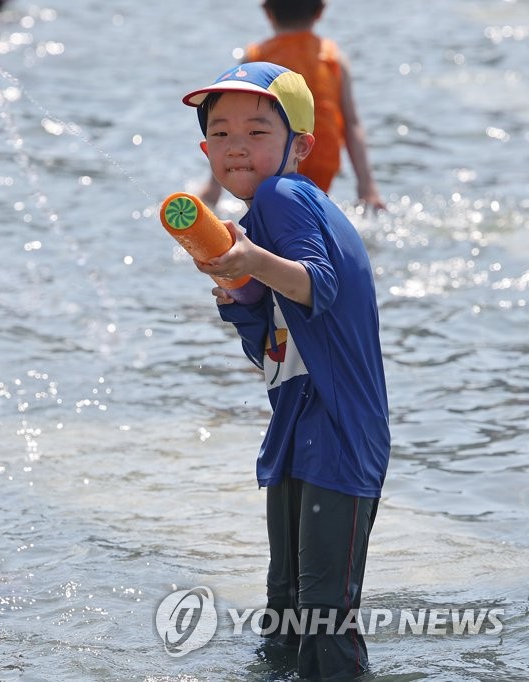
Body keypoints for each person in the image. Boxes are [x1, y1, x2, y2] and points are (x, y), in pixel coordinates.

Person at [182, 62, 390, 680]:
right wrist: (239, 293)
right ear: (204, 150)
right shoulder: (265, 215)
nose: (236, 145)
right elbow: (273, 350)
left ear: (299, 145)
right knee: (286, 618)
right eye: (220, 134)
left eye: (256, 131)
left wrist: (249, 259)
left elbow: (317, 286)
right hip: (297, 433)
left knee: (324, 620)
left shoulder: (285, 195)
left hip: (340, 434)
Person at [197, 0, 385, 211]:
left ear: (267, 12)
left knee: (269, 213)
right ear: (320, 12)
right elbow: (352, 123)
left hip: (267, 154)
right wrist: (366, 184)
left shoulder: (256, 57)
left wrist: (214, 186)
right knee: (309, 211)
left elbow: (234, 121)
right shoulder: (334, 58)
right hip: (322, 157)